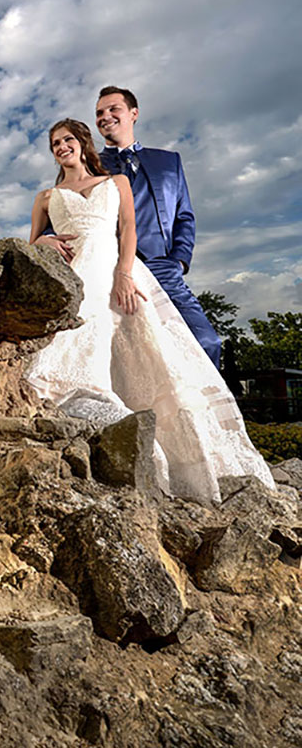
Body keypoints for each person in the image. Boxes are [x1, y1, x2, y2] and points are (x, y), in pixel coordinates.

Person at [27, 118, 273, 504]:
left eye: (68, 139)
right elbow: (34, 242)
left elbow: (128, 230)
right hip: (76, 275)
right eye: (55, 143)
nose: (61, 147)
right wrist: (45, 239)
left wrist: (124, 274)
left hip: (115, 270)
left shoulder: (115, 183)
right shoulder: (46, 196)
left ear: (83, 142)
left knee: (149, 355)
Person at [93, 86, 222, 368]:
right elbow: (64, 211)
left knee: (206, 342)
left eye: (113, 109)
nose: (105, 116)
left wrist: (179, 261)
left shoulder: (169, 161)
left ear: (133, 113)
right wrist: (49, 238)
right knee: (126, 357)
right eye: (99, 112)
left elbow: (184, 216)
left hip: (164, 266)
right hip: (110, 270)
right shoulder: (88, 165)